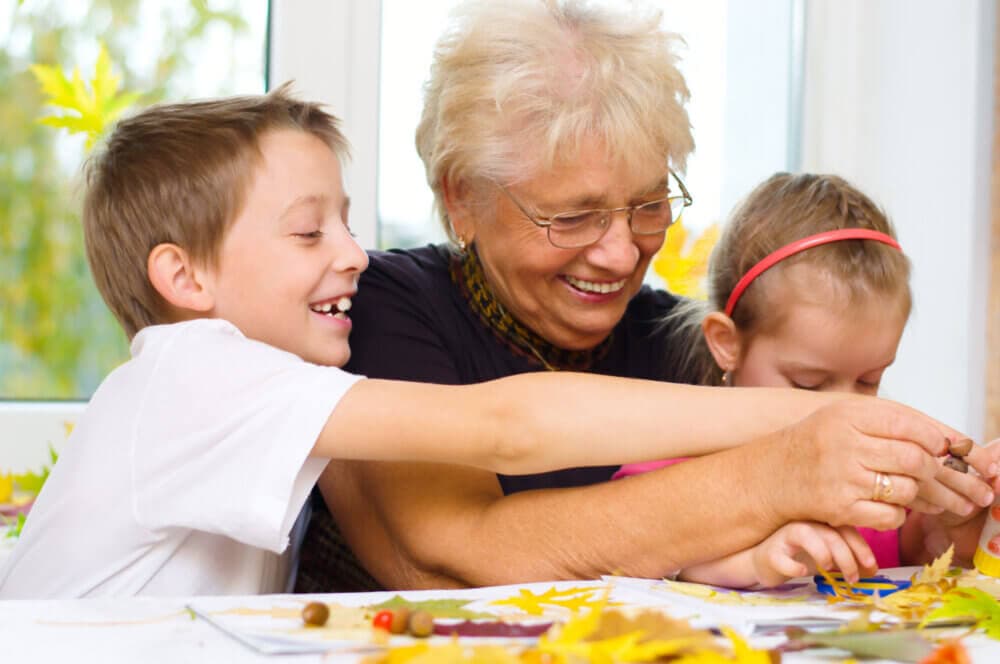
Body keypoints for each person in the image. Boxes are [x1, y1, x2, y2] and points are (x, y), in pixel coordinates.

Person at [0, 88, 898, 600]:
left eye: (346, 224)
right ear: (185, 280)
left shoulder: (267, 388)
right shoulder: (197, 372)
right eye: (309, 235)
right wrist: (807, 420)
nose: (356, 255)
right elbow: (511, 426)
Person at [298, 0, 997, 592]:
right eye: (571, 216)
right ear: (462, 198)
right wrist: (778, 474)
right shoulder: (383, 306)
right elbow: (458, 553)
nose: (621, 251)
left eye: (649, 205)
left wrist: (938, 524)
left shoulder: (681, 342)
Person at [615, 173, 998, 588]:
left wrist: (946, 530)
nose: (843, 410)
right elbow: (643, 555)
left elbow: (902, 552)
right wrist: (755, 563)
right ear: (727, 343)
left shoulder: (880, 475)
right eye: (809, 384)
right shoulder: (666, 467)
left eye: (870, 380)